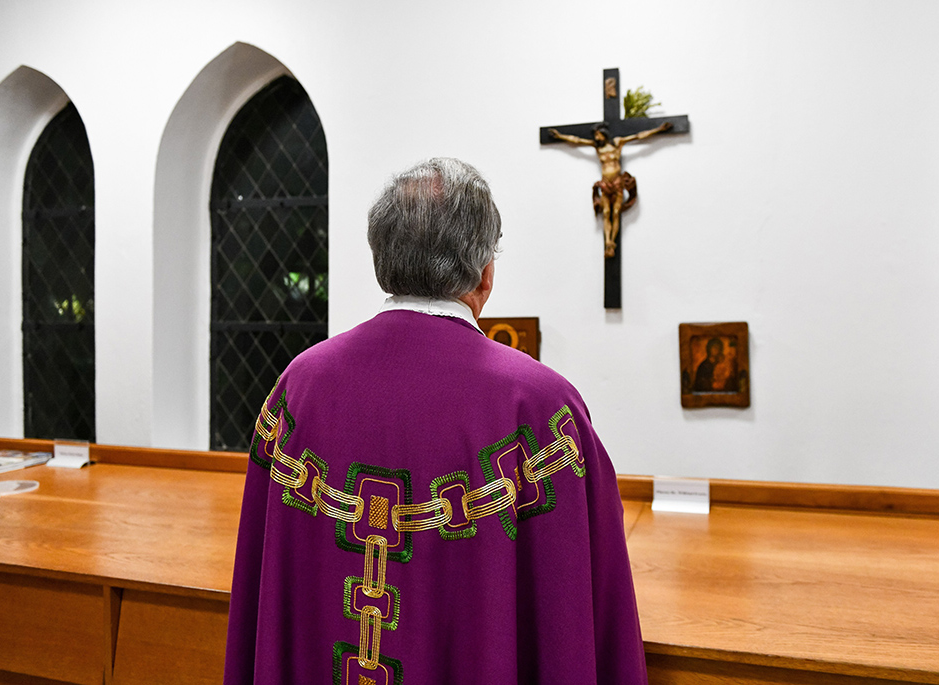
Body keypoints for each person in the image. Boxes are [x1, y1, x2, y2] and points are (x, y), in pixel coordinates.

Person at [224, 158, 648, 685]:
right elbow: (581, 612)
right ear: (485, 274)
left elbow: (262, 593)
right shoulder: (542, 411)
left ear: (382, 260)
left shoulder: (299, 388)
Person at [549, 121, 671, 257]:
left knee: (616, 212)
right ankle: (608, 242)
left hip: (617, 182)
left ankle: (612, 242)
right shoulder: (596, 147)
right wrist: (560, 136)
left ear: (604, 134)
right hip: (605, 183)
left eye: (598, 134)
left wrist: (658, 129)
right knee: (606, 212)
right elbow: (577, 141)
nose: (596, 137)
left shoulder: (617, 143)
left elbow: (638, 136)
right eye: (595, 135)